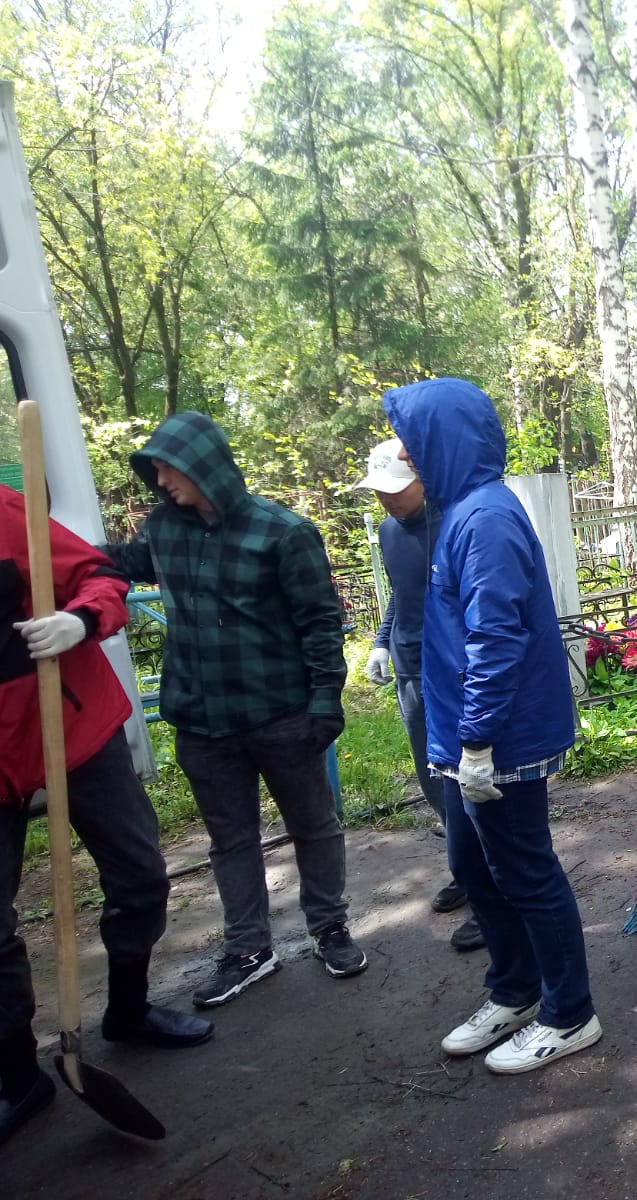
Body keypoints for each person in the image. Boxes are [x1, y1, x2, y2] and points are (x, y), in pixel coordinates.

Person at [101, 412, 365, 1008]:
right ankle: (249, 949)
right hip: (202, 722)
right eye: (155, 469)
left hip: (283, 715)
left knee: (314, 825)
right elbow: (121, 561)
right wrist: (47, 549)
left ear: (202, 466)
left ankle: (329, 927)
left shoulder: (283, 533)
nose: (161, 480)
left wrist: (325, 702)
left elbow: (320, 624)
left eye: (168, 468)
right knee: (230, 839)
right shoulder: (164, 529)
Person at [383, 377, 600, 1075]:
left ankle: (570, 1012)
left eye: (412, 443)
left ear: (442, 440)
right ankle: (514, 988)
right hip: (464, 733)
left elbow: (496, 637)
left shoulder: (485, 519)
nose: (405, 457)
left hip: (498, 737)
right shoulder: (458, 513)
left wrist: (477, 739)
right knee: (474, 866)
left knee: (525, 870)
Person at [2, 485, 213, 1150]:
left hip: (73, 724)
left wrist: (80, 620)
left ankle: (127, 1009)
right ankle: (17, 1075)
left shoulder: (6, 513)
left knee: (140, 875)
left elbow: (101, 575)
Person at [356, 439, 482, 953]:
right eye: (379, 491)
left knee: (467, 779)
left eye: (396, 489)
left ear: (422, 480)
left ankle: (491, 889)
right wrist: (381, 642)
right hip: (410, 667)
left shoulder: (455, 524)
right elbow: (401, 594)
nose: (387, 499)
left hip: (453, 669)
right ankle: (466, 871)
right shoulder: (389, 532)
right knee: (432, 776)